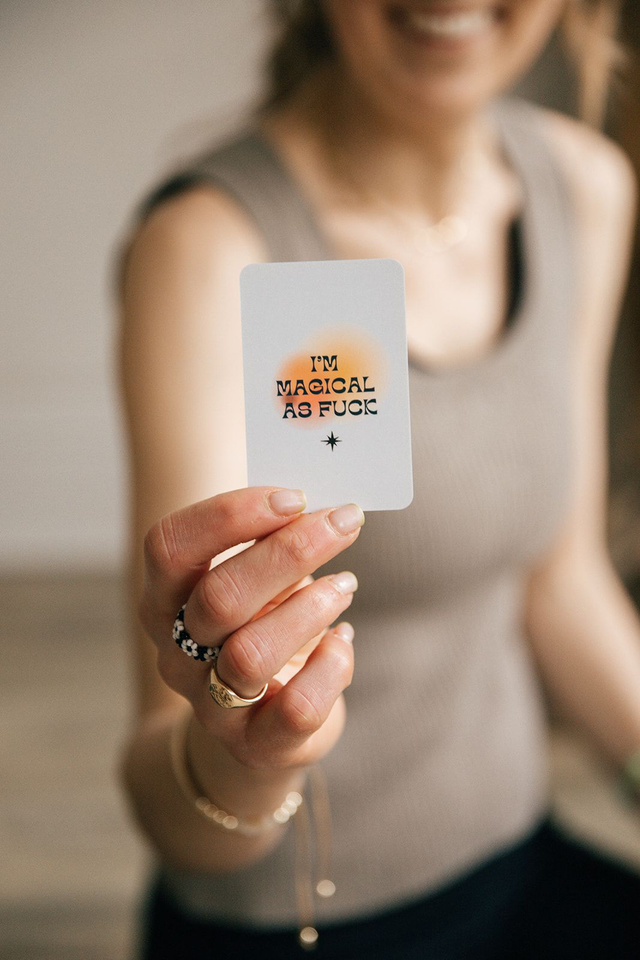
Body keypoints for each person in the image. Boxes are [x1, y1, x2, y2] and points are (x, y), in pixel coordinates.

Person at [114, 1, 640, 957]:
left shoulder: (583, 187)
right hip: (302, 919)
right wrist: (246, 757)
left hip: (518, 859)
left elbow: (560, 579)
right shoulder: (207, 244)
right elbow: (169, 803)